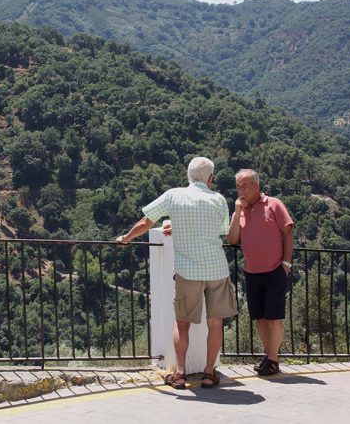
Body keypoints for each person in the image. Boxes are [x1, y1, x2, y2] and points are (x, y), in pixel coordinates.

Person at [116, 157, 234, 389]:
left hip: (188, 271)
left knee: (182, 324)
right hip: (217, 269)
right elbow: (222, 231)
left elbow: (146, 221)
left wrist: (126, 238)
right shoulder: (219, 199)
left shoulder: (173, 195)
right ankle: (209, 373)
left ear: (188, 175)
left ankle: (179, 374)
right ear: (210, 178)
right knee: (216, 322)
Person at [227, 169, 293, 376]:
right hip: (251, 272)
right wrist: (237, 213)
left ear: (256, 186)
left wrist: (286, 263)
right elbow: (232, 240)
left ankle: (273, 359)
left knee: (274, 317)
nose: (240, 190)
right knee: (260, 318)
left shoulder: (273, 204)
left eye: (244, 186)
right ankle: (269, 355)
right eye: (238, 186)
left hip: (275, 270)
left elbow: (288, 231)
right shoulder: (240, 212)